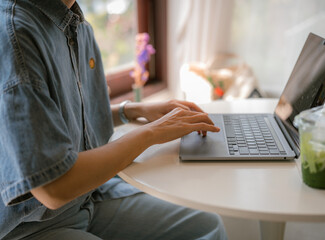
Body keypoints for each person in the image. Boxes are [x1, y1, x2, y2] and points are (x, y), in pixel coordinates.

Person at [0, 0, 227, 239]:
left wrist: (131, 110)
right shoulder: (15, 35)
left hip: (87, 197)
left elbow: (58, 119)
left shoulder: (74, 23)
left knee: (208, 226)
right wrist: (151, 133)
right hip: (29, 226)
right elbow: (53, 187)